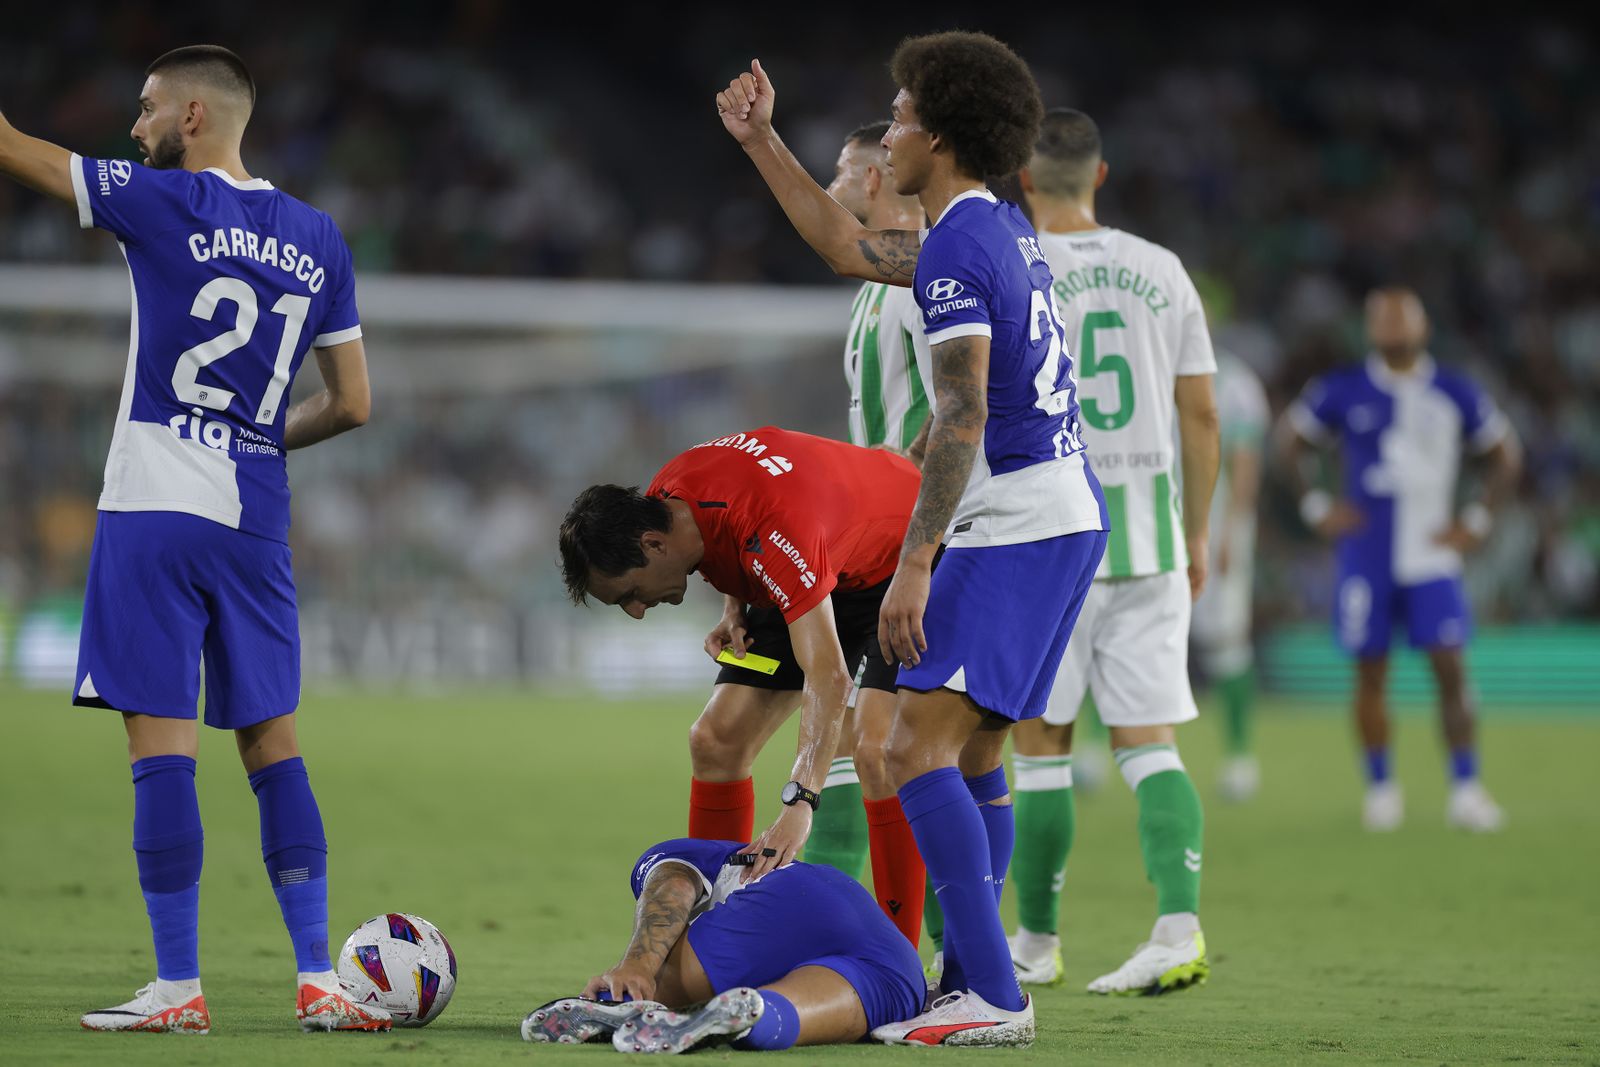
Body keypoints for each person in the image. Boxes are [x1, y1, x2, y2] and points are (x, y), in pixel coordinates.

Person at [717, 32, 1106, 1046]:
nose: (885, 131)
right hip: (1059, 511)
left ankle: (994, 995)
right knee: (971, 749)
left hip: (1013, 519)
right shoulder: (991, 230)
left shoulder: (961, 253)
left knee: (902, 740)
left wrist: (916, 560)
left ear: (935, 133)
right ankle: (965, 969)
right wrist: (761, 144)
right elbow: (847, 248)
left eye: (894, 115)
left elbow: (964, 410)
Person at [0, 46, 384, 1032]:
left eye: (146, 110)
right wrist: (261, 438)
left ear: (196, 118)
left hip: (158, 501)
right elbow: (354, 404)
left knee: (158, 741)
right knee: (273, 741)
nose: (135, 129)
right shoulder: (319, 236)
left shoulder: (163, 202)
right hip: (254, 518)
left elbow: (18, 152)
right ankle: (317, 979)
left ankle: (178, 987)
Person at [1006, 108, 1220, 995]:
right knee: (1149, 742)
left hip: (1047, 536)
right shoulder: (1162, 270)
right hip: (1150, 538)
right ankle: (1177, 926)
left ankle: (1036, 942)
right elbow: (1201, 414)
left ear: (1022, 178)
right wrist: (1197, 530)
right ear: (1100, 175)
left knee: (1041, 744)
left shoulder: (1014, 265)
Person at [558, 427, 919, 887]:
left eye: (630, 593)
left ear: (652, 545)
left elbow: (828, 679)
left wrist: (799, 804)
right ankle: (715, 922)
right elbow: (724, 525)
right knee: (715, 739)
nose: (636, 611)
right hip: (810, 556)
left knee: (878, 755)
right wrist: (734, 607)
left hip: (896, 562)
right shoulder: (666, 499)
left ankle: (901, 955)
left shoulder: (772, 530)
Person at [1283, 287, 1521, 832]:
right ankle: (1381, 789)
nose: (1392, 329)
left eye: (1401, 319)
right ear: (1371, 330)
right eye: (1383, 320)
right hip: (1367, 556)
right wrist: (1316, 505)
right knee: (1370, 672)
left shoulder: (1454, 391)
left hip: (1431, 556)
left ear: (1423, 327)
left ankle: (1466, 787)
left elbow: (1506, 454)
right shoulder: (1343, 389)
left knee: (1451, 668)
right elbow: (1289, 440)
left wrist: (1477, 520)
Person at [808, 120, 932, 945]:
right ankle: (866, 939)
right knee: (870, 742)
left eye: (844, 173)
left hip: (915, 543)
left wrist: (892, 509)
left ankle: (875, 944)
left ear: (880, 178)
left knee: (886, 745)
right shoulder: (870, 288)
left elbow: (960, 415)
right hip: (870, 540)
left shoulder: (927, 283)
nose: (833, 186)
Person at [521, 838, 926, 1052]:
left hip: (782, 900)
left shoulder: (683, 855)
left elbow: (674, 881)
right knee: (777, 1015)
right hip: (898, 969)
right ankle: (748, 1016)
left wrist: (639, 963)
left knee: (640, 992)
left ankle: (620, 1005)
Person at [1191, 325, 1271, 802]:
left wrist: (1233, 532)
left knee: (1226, 641)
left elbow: (1245, 463)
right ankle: (1099, 752)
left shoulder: (1237, 384)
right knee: (1117, 632)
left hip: (1216, 527)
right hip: (1162, 524)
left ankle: (1241, 758)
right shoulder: (1161, 369)